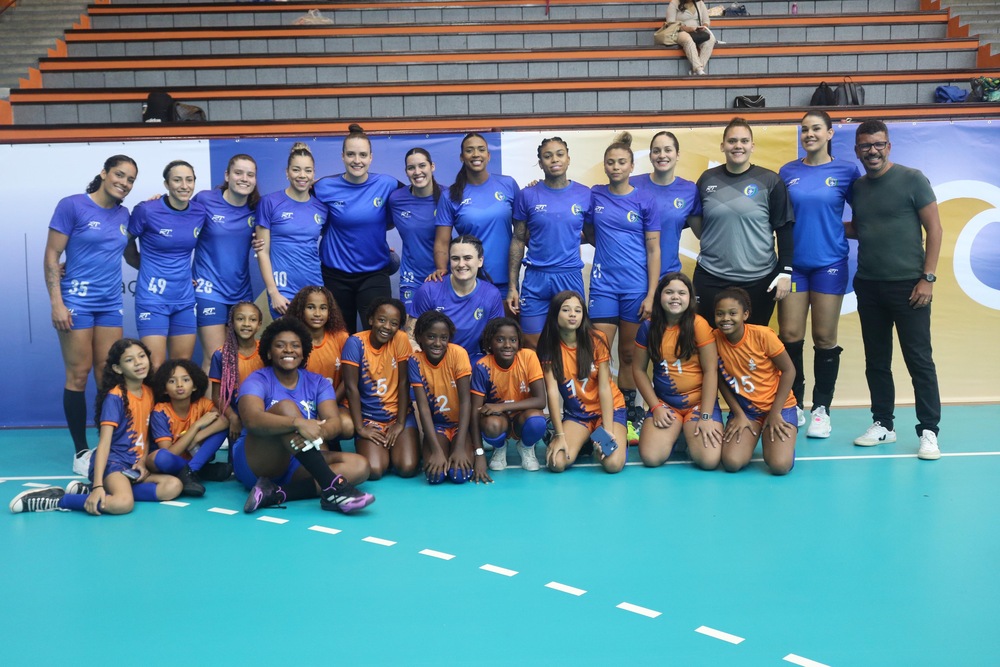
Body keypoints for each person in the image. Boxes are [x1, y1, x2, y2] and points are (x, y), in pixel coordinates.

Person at [847, 119, 942, 460]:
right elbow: (861, 227)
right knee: (877, 360)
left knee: (919, 360)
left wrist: (927, 278)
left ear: (888, 146)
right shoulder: (857, 188)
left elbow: (935, 229)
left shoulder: (912, 179)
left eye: (878, 144)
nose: (872, 151)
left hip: (910, 286)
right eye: (865, 146)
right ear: (857, 150)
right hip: (869, 285)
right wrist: (820, 224)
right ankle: (883, 424)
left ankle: (929, 431)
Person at [44, 155, 139, 476]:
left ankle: (109, 444)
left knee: (107, 375)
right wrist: (56, 302)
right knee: (79, 374)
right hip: (76, 303)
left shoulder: (125, 214)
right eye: (119, 175)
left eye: (130, 180)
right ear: (104, 173)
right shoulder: (72, 206)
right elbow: (52, 254)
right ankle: (81, 451)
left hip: (110, 303)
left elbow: (135, 256)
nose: (124, 183)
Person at [10, 339, 183, 514]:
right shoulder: (115, 398)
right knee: (123, 504)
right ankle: (58, 499)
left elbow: (145, 434)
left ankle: (105, 490)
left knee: (173, 486)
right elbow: (104, 444)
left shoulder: (149, 392)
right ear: (118, 368)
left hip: (134, 465)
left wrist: (142, 461)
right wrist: (98, 485)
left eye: (141, 356)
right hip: (114, 463)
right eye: (129, 360)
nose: (138, 363)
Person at [236, 318, 374, 514]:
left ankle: (276, 493)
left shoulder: (317, 382)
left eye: (295, 346)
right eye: (280, 345)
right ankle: (335, 488)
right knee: (286, 408)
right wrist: (297, 423)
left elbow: (334, 423)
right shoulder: (258, 379)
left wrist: (319, 430)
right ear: (268, 351)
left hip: (300, 459)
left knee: (360, 465)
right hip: (257, 461)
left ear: (304, 352)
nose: (288, 350)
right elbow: (251, 419)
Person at [778, 111, 860, 436]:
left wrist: (833, 231)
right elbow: (780, 221)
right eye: (804, 130)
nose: (809, 134)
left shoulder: (846, 172)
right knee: (791, 335)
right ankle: (794, 403)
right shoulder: (788, 171)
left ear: (829, 134)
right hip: (795, 266)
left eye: (816, 129)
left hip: (830, 264)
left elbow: (865, 216)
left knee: (825, 338)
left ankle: (822, 409)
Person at [585, 132, 661, 439]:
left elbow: (654, 249)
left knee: (629, 354)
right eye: (610, 162)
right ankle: (600, 411)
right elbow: (587, 230)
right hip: (604, 286)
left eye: (622, 162)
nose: (616, 167)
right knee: (599, 353)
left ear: (631, 166)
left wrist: (652, 294)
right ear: (604, 166)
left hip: (636, 288)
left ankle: (631, 415)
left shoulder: (645, 199)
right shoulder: (595, 195)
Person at [689, 117, 795, 328]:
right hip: (711, 277)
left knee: (751, 346)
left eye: (744, 141)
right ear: (722, 146)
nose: (738, 146)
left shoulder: (770, 181)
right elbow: (697, 221)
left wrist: (785, 271)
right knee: (710, 343)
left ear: (752, 146)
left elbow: (784, 228)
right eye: (732, 141)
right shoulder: (707, 179)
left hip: (759, 280)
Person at [314, 124, 401, 333]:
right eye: (351, 154)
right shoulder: (323, 187)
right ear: (342, 156)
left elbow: (415, 200)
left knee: (379, 336)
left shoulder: (387, 184)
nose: (357, 160)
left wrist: (374, 237)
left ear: (371, 157)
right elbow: (299, 209)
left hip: (374, 274)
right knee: (340, 337)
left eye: (363, 155)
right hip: (335, 275)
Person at [632, 273, 722, 469]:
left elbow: (711, 371)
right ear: (659, 296)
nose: (675, 297)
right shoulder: (648, 327)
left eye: (682, 293)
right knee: (651, 458)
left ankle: (686, 434)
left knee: (709, 461)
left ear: (690, 298)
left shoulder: (698, 324)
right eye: (669, 292)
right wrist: (655, 407)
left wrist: (706, 416)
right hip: (666, 404)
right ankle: (678, 435)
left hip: (698, 404)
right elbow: (638, 370)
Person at [507, 136, 591, 349]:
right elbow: (518, 239)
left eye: (560, 154)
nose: (554, 159)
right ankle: (542, 384)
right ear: (540, 162)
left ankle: (566, 384)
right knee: (531, 344)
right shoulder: (527, 195)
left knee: (571, 343)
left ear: (568, 159)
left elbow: (592, 234)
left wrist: (568, 237)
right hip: (536, 278)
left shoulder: (584, 194)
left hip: (569, 276)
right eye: (548, 155)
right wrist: (512, 286)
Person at [125, 160, 207, 370]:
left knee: (181, 367)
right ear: (166, 184)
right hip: (153, 299)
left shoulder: (199, 212)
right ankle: (155, 405)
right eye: (177, 180)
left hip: (184, 298)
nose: (184, 185)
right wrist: (145, 268)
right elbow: (126, 242)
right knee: (154, 366)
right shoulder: (146, 210)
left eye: (189, 180)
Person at [536, 291, 627, 474]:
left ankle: (597, 437)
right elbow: (552, 392)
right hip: (578, 416)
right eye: (566, 310)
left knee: (612, 464)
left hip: (608, 411)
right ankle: (582, 440)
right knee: (557, 463)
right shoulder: (548, 346)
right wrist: (560, 435)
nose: (572, 315)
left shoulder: (597, 339)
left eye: (578, 311)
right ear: (555, 314)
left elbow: (604, 388)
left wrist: (607, 431)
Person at [713, 288, 798, 475]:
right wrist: (738, 414)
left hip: (778, 407)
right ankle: (752, 437)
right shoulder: (713, 339)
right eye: (720, 314)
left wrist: (775, 413)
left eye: (732, 313)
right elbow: (719, 380)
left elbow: (789, 370)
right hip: (747, 411)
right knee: (732, 463)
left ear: (745, 314)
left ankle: (784, 441)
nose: (726, 318)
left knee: (779, 466)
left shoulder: (763, 335)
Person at [191, 154, 259, 372]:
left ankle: (236, 407)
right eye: (238, 173)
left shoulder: (256, 207)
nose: (244, 178)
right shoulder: (205, 199)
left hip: (241, 292)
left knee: (239, 360)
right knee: (215, 359)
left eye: (250, 174)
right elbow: (179, 219)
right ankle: (211, 407)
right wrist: (157, 202)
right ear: (227, 175)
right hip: (209, 291)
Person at [342, 298, 420, 479]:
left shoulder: (400, 339)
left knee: (407, 468)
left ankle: (397, 447)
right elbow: (351, 388)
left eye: (394, 323)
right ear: (370, 320)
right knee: (375, 470)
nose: (386, 326)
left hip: (398, 415)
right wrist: (360, 428)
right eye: (381, 320)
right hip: (370, 418)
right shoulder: (355, 343)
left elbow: (403, 383)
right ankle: (382, 450)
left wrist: (400, 423)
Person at [435, 133, 520, 296]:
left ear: (488, 155)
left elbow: (522, 234)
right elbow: (441, 242)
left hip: (506, 281)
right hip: (467, 281)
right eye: (469, 150)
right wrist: (441, 269)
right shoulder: (449, 195)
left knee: (505, 323)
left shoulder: (508, 184)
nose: (476, 154)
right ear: (462, 157)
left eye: (481, 150)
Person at [255, 142, 328, 318]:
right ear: (287, 172)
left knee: (312, 344)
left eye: (308, 170)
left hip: (314, 289)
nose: (302, 175)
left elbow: (338, 239)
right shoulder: (269, 202)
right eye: (296, 170)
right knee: (288, 343)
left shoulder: (322, 208)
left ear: (314, 174)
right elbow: (262, 252)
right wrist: (273, 293)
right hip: (283, 293)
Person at [470, 317, 547, 473]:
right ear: (489, 342)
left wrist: (502, 406)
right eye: (500, 339)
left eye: (513, 340)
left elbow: (540, 401)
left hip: (522, 416)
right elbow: (475, 411)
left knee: (537, 420)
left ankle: (526, 447)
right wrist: (479, 452)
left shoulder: (529, 357)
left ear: (519, 342)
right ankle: (499, 447)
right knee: (490, 424)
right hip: (499, 419)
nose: (507, 345)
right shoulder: (482, 366)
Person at [411, 235, 504, 360]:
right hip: (434, 361)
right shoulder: (429, 290)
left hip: (473, 362)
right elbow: (410, 335)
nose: (461, 264)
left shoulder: (492, 294)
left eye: (467, 258)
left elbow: (496, 339)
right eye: (455, 258)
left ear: (480, 261)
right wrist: (420, 360)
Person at [409, 311, 475, 484]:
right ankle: (440, 449)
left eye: (443, 338)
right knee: (435, 476)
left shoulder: (458, 354)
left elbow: (465, 401)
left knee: (459, 475)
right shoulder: (415, 361)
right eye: (431, 336)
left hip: (460, 425)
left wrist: (460, 447)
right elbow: (423, 408)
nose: (437, 343)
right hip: (438, 425)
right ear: (420, 337)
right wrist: (437, 451)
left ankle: (460, 445)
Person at [146, 359, 231, 492]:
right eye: (172, 381)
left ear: (194, 386)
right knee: (161, 457)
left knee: (221, 428)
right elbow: (170, 453)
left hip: (196, 455)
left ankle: (193, 470)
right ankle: (202, 471)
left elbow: (225, 420)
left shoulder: (202, 403)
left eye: (185, 380)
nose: (179, 385)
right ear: (164, 390)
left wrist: (196, 438)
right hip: (174, 461)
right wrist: (196, 426)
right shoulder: (160, 411)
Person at [387, 147, 450, 320]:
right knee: (410, 333)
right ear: (406, 172)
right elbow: (379, 224)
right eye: (411, 168)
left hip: (444, 277)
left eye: (422, 165)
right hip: (411, 279)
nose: (417, 172)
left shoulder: (449, 196)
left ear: (432, 166)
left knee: (441, 332)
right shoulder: (396, 199)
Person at [285, 285, 354, 441]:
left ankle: (327, 439)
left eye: (323, 308)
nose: (317, 314)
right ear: (300, 310)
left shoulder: (341, 337)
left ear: (330, 311)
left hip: (335, 401)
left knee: (347, 426)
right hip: (300, 404)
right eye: (311, 307)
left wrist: (329, 404)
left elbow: (349, 379)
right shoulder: (291, 340)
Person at [630, 130, 701, 278]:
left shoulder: (689, 190)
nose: (662, 155)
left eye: (668, 150)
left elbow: (702, 233)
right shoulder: (632, 185)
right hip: (634, 276)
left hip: (669, 276)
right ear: (650, 156)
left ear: (678, 154)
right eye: (656, 151)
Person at [209, 301, 264, 445]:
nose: (246, 323)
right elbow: (217, 396)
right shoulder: (221, 355)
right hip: (236, 416)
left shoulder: (266, 351)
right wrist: (232, 417)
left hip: (264, 414)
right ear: (232, 323)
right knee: (239, 459)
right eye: (240, 319)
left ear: (259, 324)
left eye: (252, 319)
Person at [666, 0, 716, 75]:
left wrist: (704, 26)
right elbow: (670, 24)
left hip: (697, 30)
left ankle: (695, 70)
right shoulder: (674, 3)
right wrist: (686, 29)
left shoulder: (699, 3)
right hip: (679, 31)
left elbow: (706, 21)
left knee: (711, 39)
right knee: (687, 39)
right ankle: (698, 69)